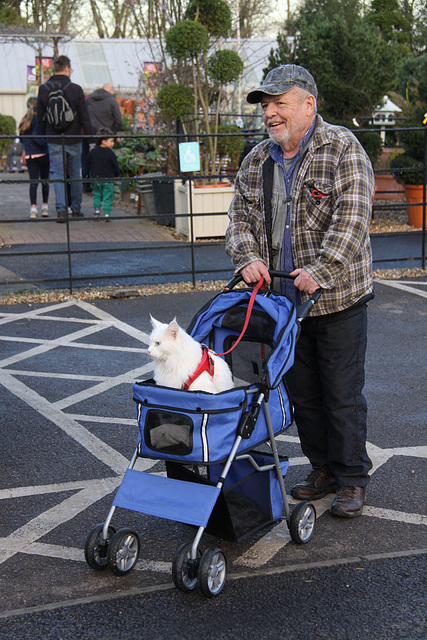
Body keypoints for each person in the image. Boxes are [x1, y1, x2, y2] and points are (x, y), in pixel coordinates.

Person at [225, 64, 375, 518]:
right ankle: (323, 470)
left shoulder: (342, 149)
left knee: (341, 394)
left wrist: (322, 268)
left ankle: (351, 478)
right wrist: (248, 257)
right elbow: (240, 220)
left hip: (336, 299)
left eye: (278, 103)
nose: (269, 113)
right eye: (265, 106)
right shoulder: (257, 160)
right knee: (302, 394)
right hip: (282, 306)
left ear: (309, 104)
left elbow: (353, 218)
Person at [37, 55, 94, 222]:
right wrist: (91, 140)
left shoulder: (44, 88)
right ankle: (75, 209)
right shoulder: (75, 89)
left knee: (57, 174)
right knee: (75, 173)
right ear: (68, 69)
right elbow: (85, 117)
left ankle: (61, 210)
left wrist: (45, 133)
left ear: (55, 69)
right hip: (74, 137)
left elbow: (40, 116)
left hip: (53, 138)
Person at [83, 83, 122, 192]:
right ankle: (105, 186)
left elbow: (84, 116)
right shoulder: (111, 100)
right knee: (106, 160)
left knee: (88, 159)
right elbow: (119, 119)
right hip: (106, 136)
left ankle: (86, 184)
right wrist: (112, 133)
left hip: (90, 133)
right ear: (111, 89)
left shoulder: (90, 99)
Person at [18, 96, 50, 219]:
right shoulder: (39, 120)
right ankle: (45, 207)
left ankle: (33, 208)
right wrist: (46, 142)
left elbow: (21, 138)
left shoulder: (24, 119)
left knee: (33, 182)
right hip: (42, 153)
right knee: (44, 181)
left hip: (30, 155)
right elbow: (38, 137)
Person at [88, 127, 120, 221]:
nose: (113, 143)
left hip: (96, 178)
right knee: (108, 196)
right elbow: (115, 165)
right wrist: (116, 174)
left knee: (97, 195)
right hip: (108, 179)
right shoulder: (110, 153)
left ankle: (97, 210)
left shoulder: (93, 151)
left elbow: (88, 162)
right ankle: (106, 213)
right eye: (111, 141)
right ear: (103, 141)